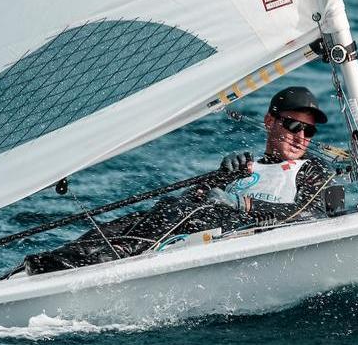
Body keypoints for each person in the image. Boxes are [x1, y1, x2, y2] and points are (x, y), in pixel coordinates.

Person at [22, 86, 335, 275]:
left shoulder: (311, 169)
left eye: (309, 131)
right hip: (207, 228)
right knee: (148, 212)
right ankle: (66, 256)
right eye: (293, 125)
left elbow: (310, 214)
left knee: (181, 211)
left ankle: (107, 258)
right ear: (270, 121)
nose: (300, 137)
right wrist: (220, 177)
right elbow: (194, 198)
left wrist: (244, 203)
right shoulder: (245, 165)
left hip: (246, 233)